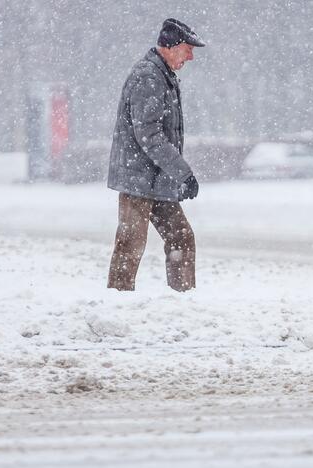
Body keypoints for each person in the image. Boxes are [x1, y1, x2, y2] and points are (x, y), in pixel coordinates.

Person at [106, 18, 206, 292]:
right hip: (137, 179)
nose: (191, 56)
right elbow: (149, 135)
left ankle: (185, 299)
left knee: (181, 237)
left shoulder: (163, 76)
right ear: (172, 47)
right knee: (130, 243)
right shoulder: (148, 77)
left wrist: (175, 174)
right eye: (188, 49)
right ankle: (118, 302)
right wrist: (183, 172)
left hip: (157, 181)